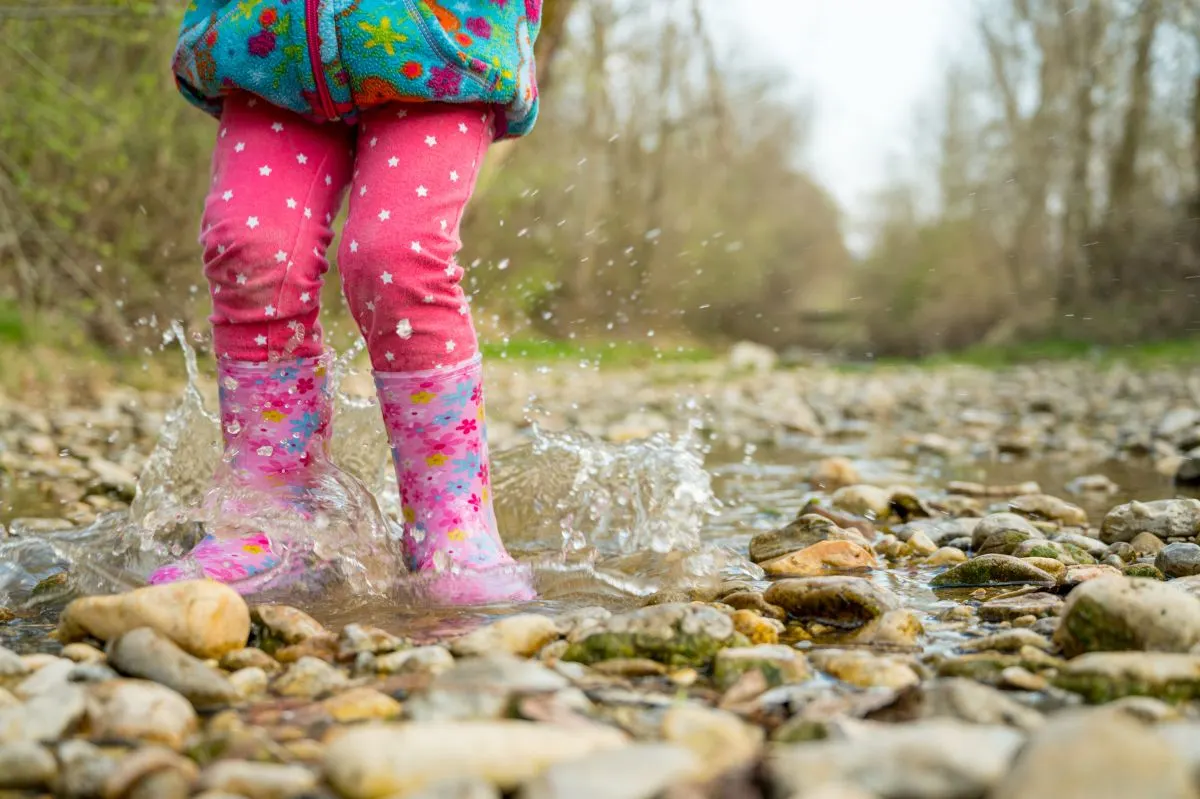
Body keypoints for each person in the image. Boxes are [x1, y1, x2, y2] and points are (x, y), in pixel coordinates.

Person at [147, 0, 542, 603]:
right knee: (252, 249)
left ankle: (451, 525)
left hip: (438, 41)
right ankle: (270, 517)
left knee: (397, 256)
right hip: (267, 44)